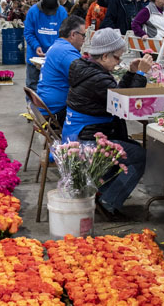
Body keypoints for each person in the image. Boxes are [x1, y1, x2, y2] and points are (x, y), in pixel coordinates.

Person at [63, 28, 153, 219]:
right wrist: (142, 76)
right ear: (104, 56)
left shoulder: (85, 69)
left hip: (78, 135)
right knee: (138, 155)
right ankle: (108, 201)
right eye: (118, 58)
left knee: (131, 149)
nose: (119, 62)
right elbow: (128, 104)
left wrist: (131, 73)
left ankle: (102, 193)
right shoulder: (97, 78)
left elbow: (116, 94)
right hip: (86, 141)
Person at [36, 15, 86, 126]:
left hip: (47, 107)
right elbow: (85, 76)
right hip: (57, 112)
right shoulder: (67, 51)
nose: (84, 39)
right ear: (73, 34)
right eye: (83, 35)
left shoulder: (57, 46)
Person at [24, 0, 68, 90]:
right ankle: (33, 105)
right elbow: (28, 32)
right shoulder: (33, 11)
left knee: (53, 86)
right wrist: (36, 46)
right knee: (32, 85)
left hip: (54, 56)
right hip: (35, 56)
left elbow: (65, 34)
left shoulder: (62, 12)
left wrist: (55, 50)